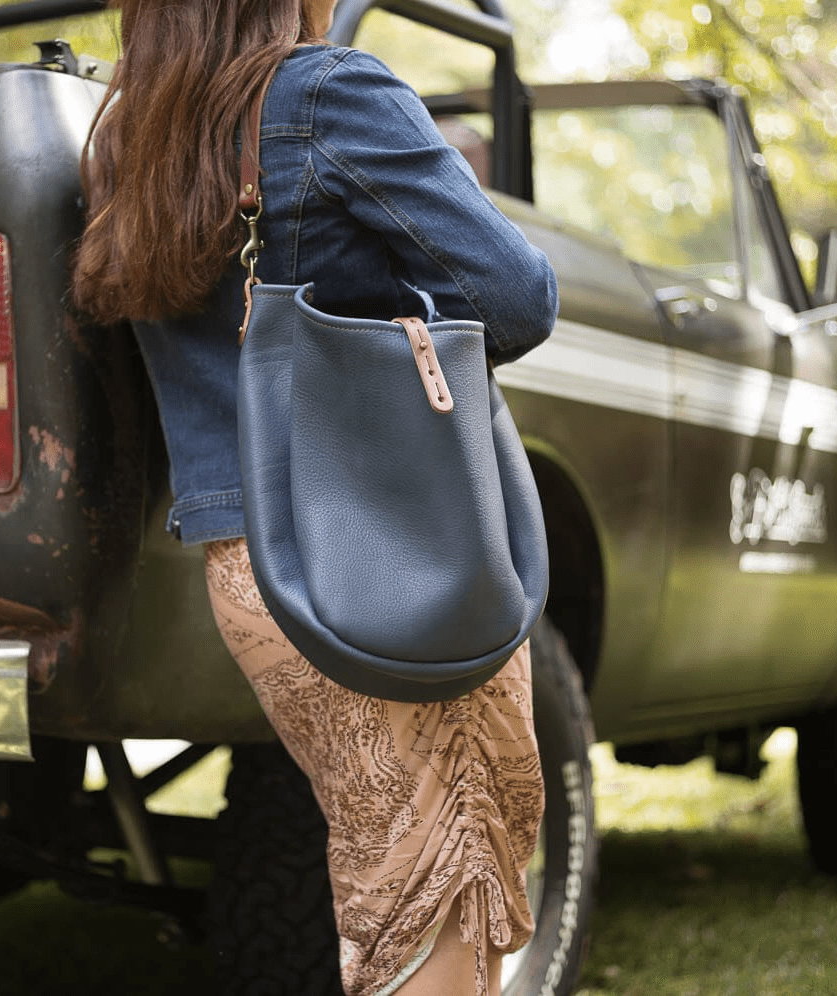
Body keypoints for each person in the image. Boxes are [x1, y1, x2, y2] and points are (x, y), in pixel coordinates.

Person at [71, 0, 558, 993]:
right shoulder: (330, 92)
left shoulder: (127, 131)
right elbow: (518, 296)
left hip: (251, 574)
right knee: (448, 901)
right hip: (393, 551)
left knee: (390, 893)